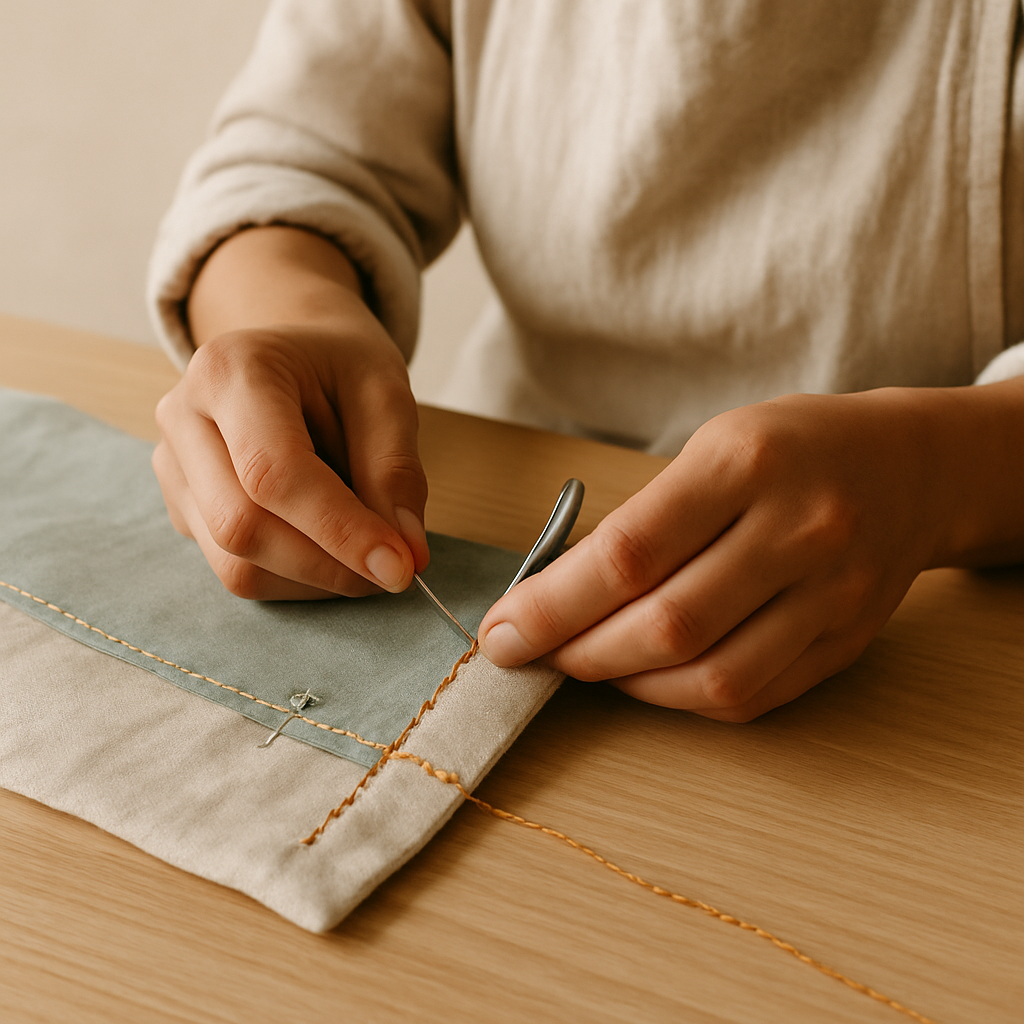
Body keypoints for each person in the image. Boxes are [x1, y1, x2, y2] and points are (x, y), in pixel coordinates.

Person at [148, 1, 1024, 722]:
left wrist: (939, 474)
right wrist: (289, 318)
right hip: (496, 497)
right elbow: (297, 149)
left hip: (945, 630)